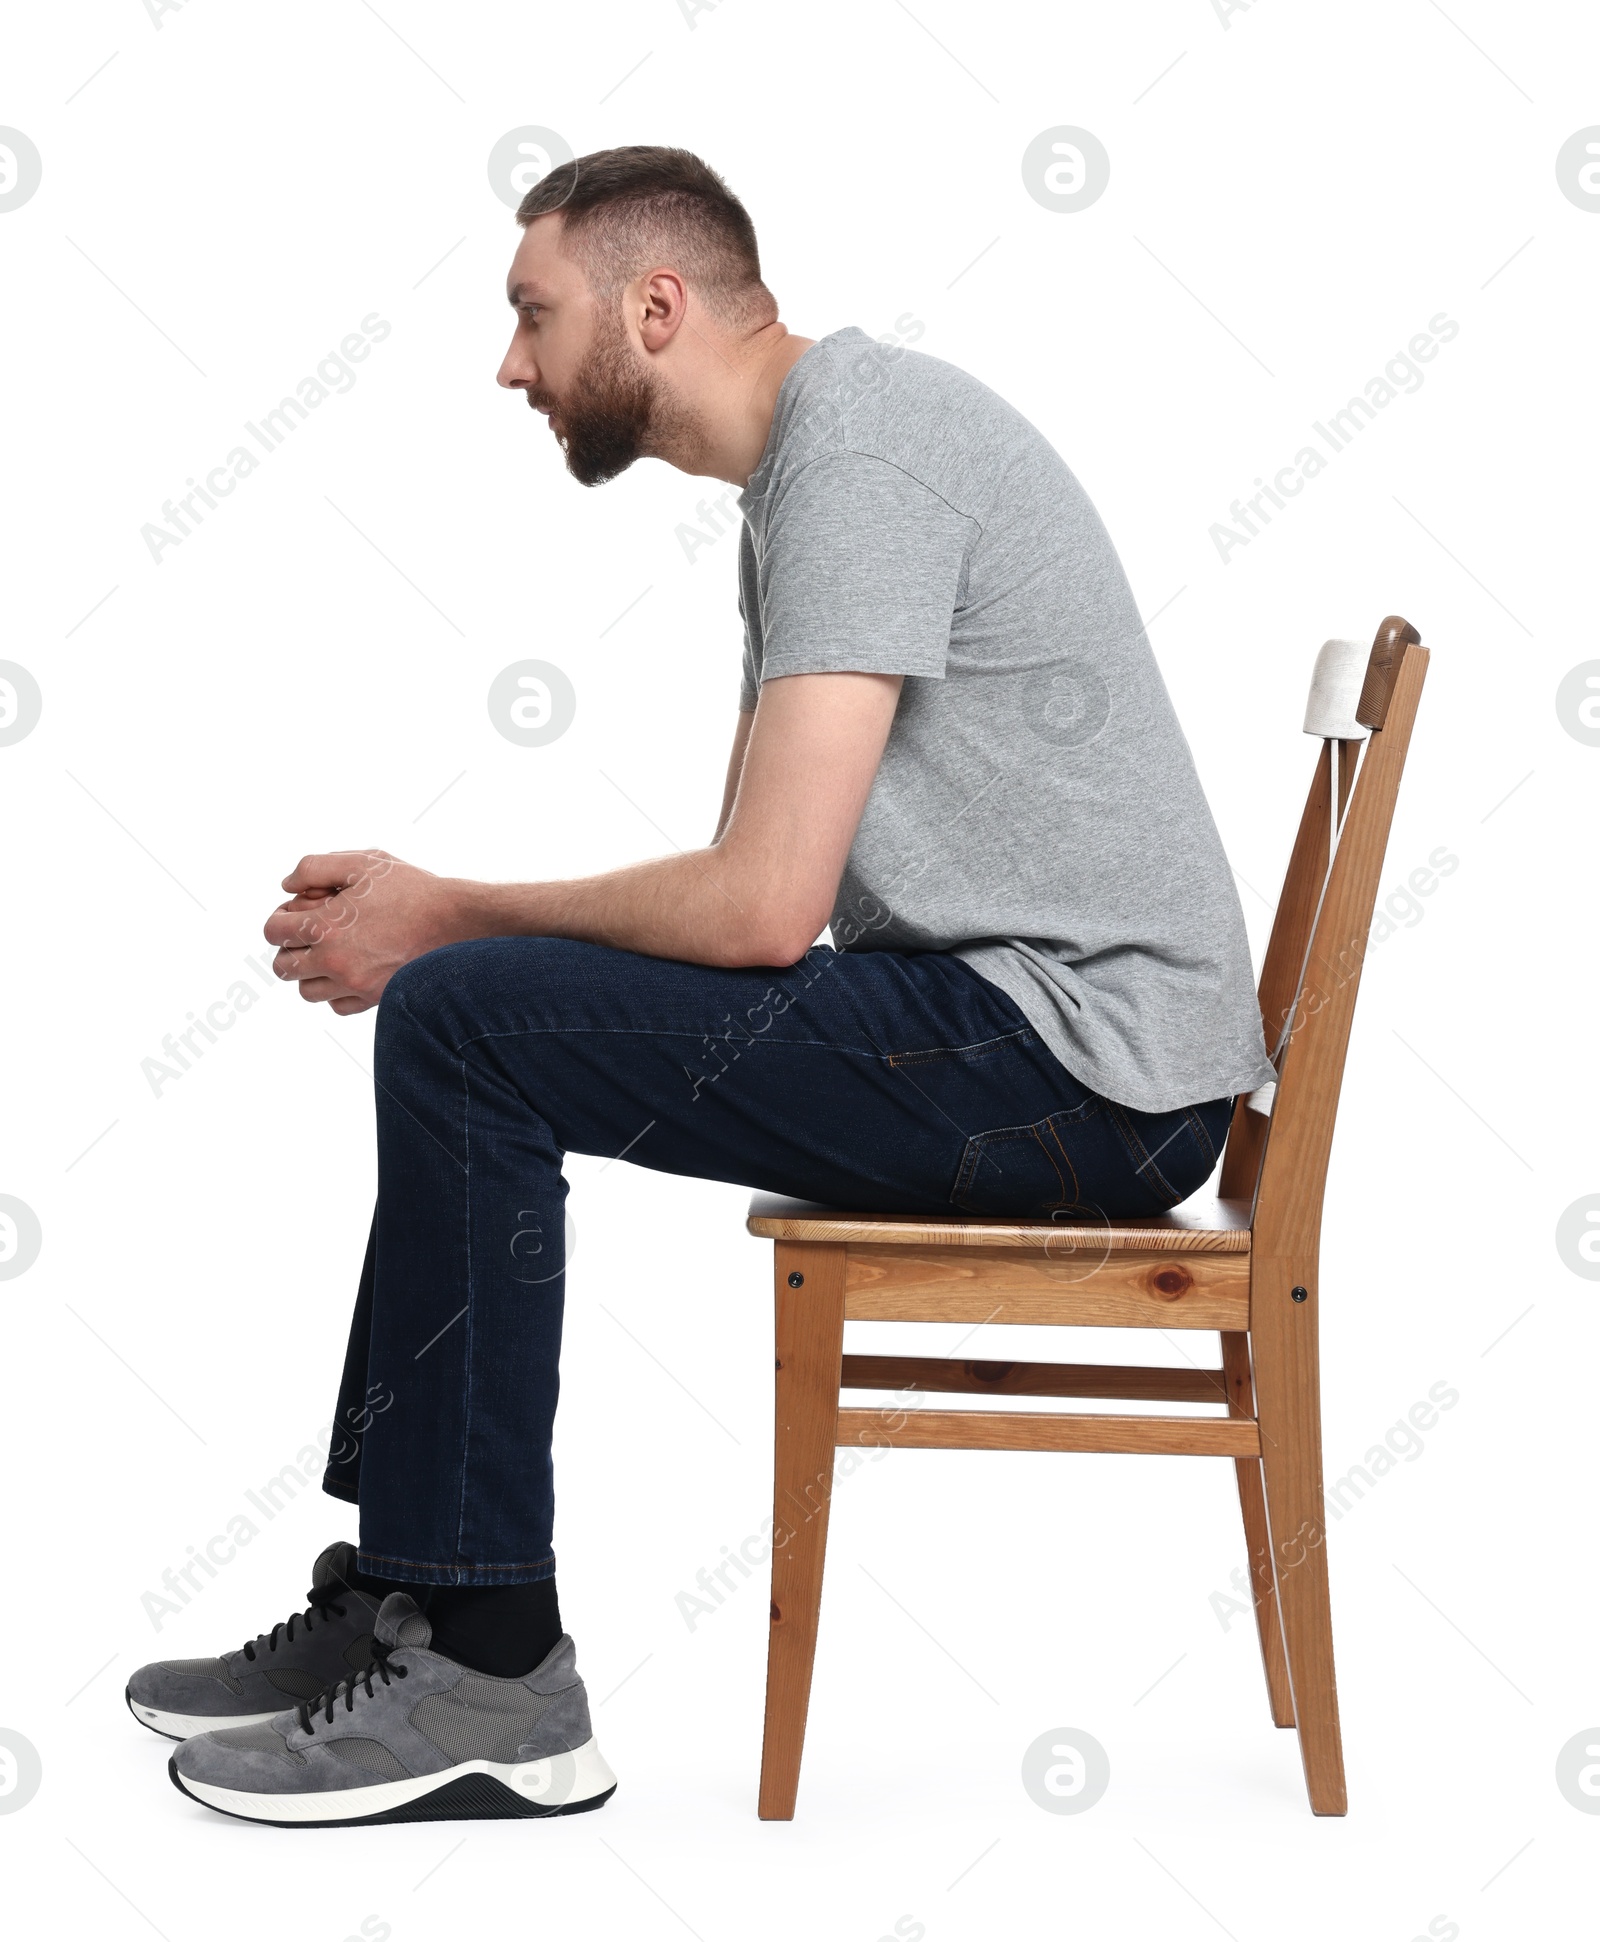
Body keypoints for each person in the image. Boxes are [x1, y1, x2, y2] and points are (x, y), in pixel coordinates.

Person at [131, 145, 1274, 1826]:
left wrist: (445, 914)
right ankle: (419, 1598)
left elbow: (756, 908)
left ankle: (491, 1662)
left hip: (1077, 1072)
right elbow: (755, 887)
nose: (510, 364)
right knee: (483, 1014)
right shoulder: (817, 470)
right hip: (1043, 1042)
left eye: (533, 315)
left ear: (652, 306)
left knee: (465, 1022)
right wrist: (469, 922)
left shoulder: (863, 457)